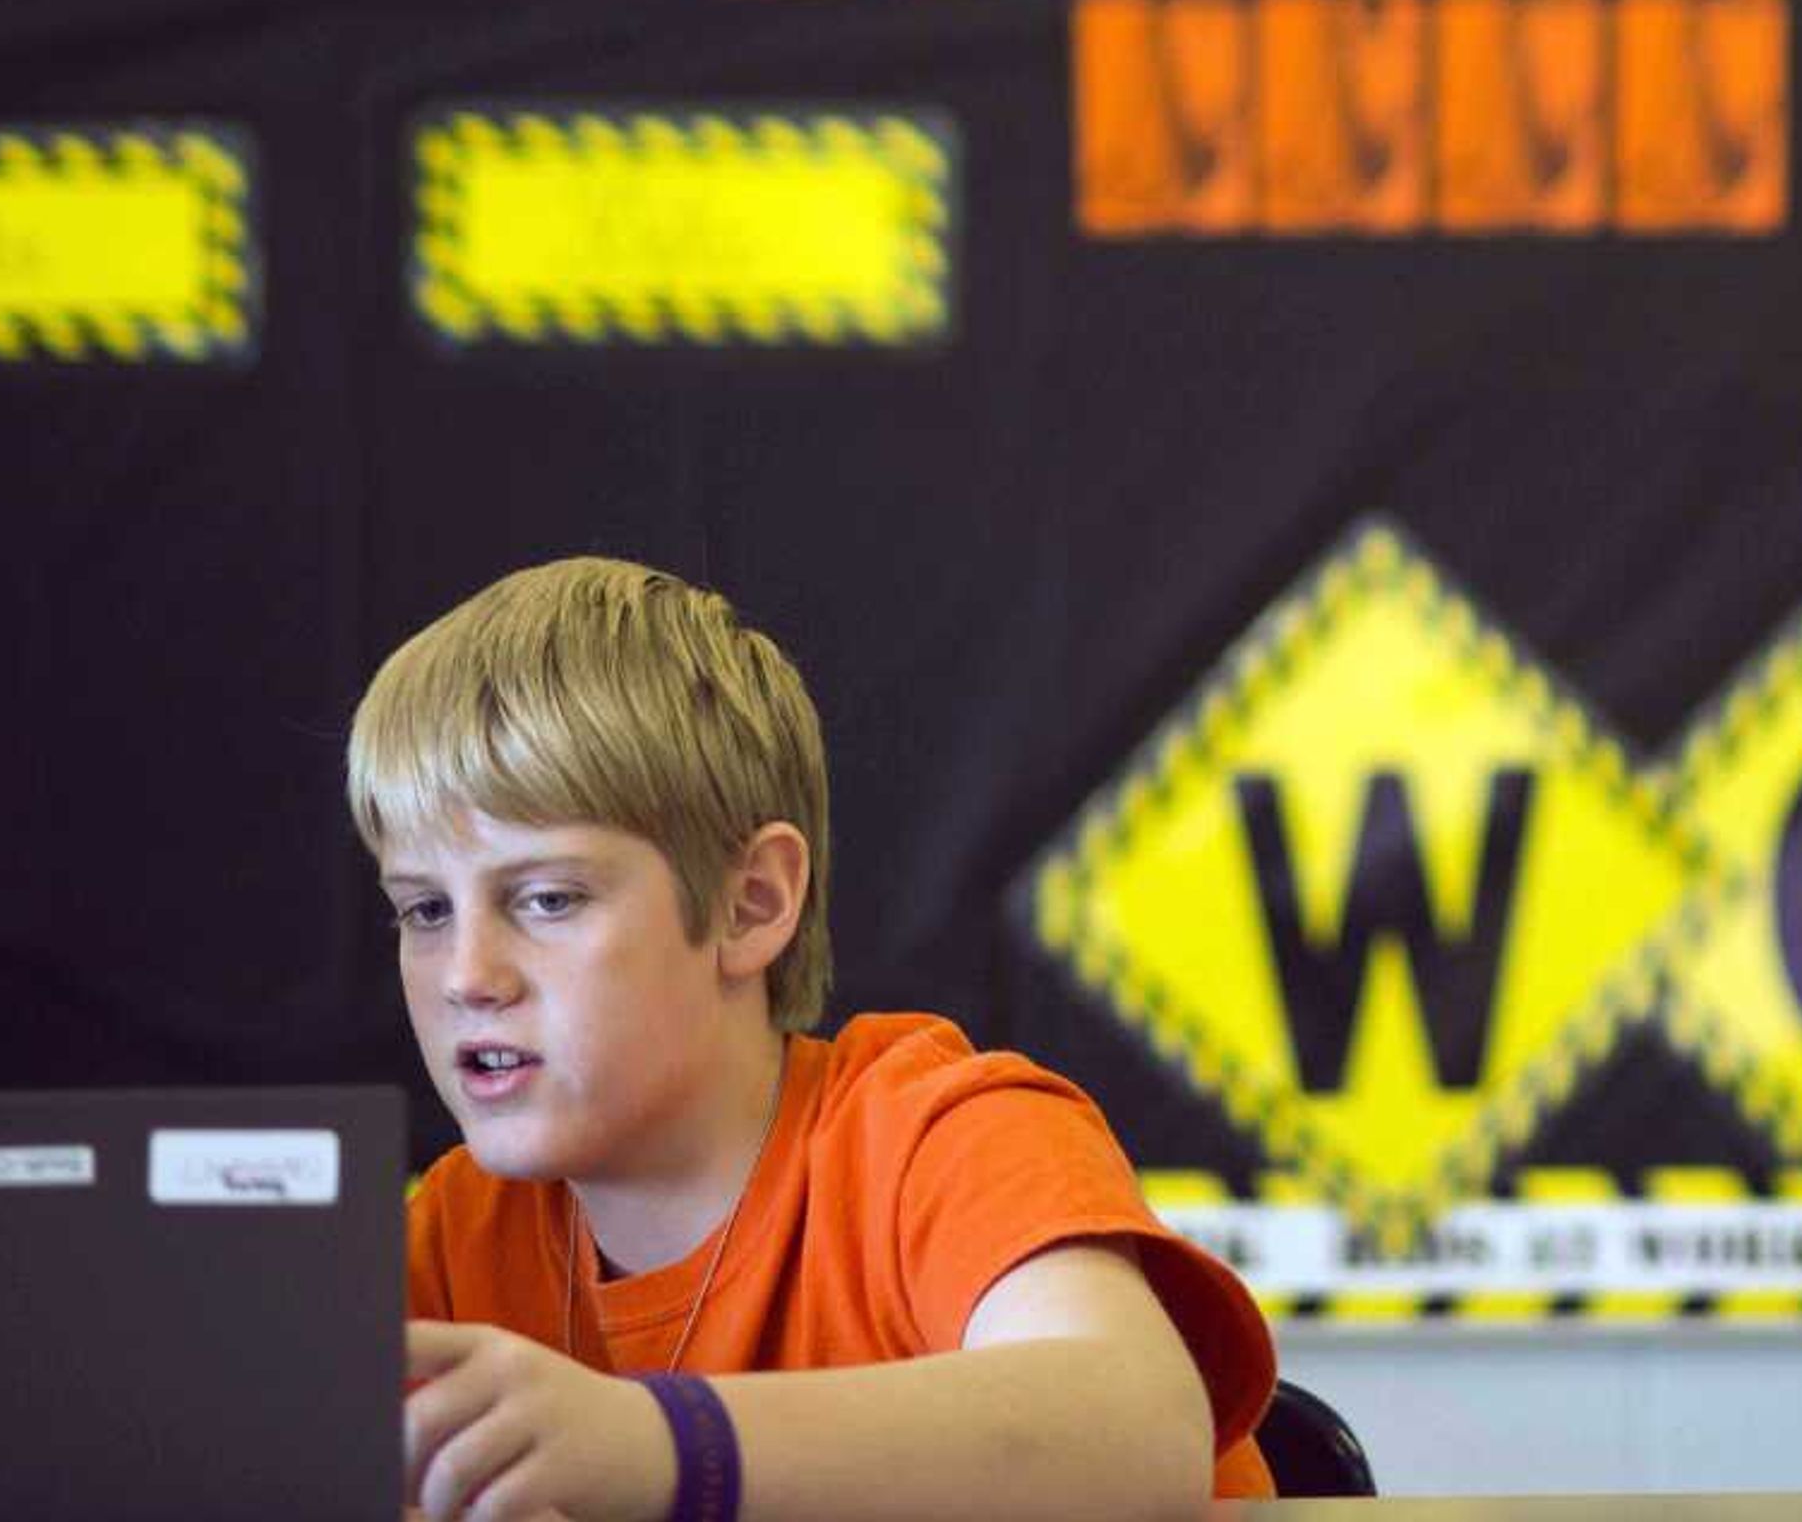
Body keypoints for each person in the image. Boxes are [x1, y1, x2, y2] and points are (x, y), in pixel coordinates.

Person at [352, 556, 1275, 1520]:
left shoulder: (943, 1136)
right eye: (423, 910)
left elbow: (1138, 1428)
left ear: (753, 902)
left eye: (548, 898)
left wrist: (652, 1441)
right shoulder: (454, 1233)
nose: (466, 974)